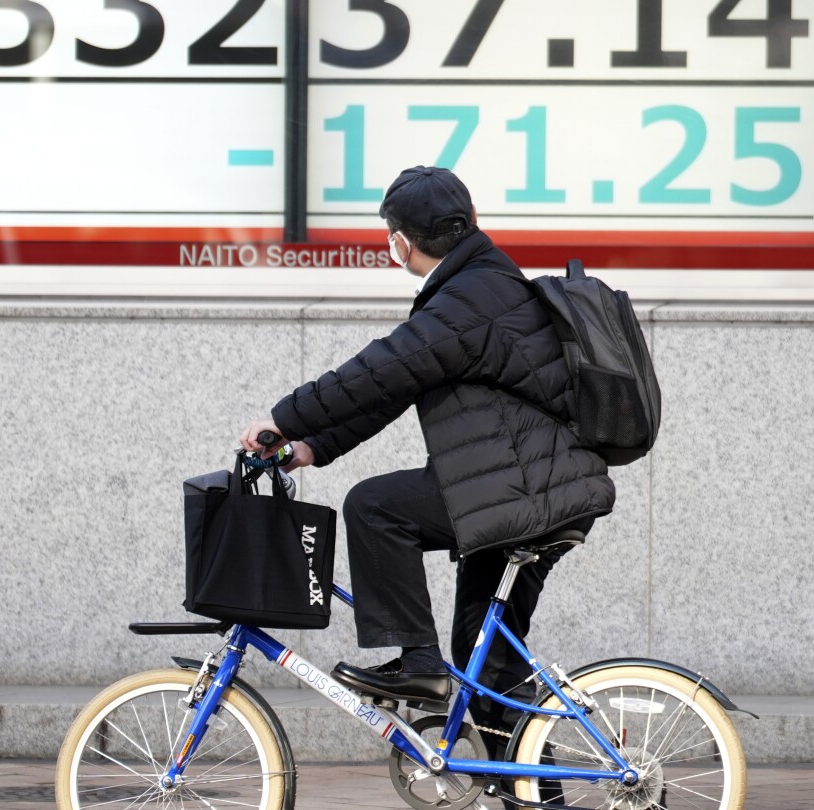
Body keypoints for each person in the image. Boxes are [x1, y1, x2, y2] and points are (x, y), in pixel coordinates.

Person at [240, 166, 615, 752]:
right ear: (471, 224)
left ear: (402, 242)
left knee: (374, 507)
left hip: (524, 489)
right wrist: (312, 447)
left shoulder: (469, 298)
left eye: (391, 236)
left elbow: (379, 370)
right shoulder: (480, 286)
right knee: (484, 663)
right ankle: (527, 790)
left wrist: (283, 418)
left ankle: (418, 661)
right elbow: (400, 386)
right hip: (537, 488)